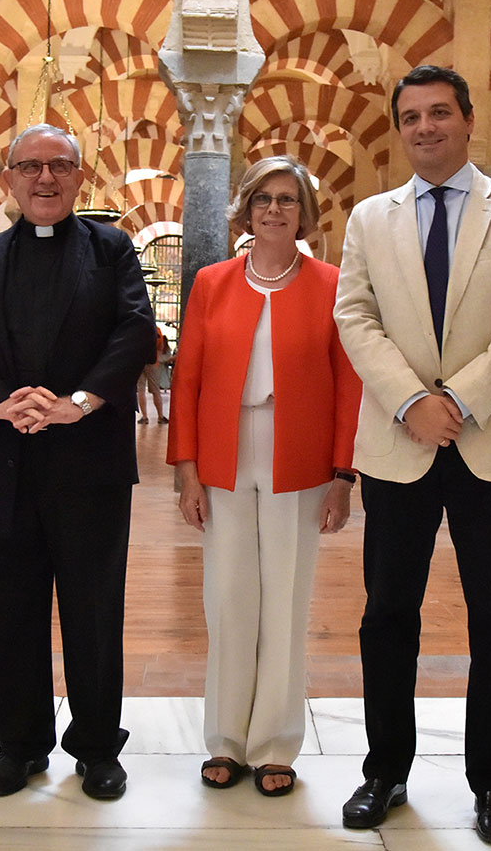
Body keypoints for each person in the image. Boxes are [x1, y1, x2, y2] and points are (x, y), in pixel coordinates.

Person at [332, 65, 491, 843]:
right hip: (399, 446)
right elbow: (354, 318)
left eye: (438, 113)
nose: (424, 127)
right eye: (411, 117)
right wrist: (411, 402)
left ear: (468, 119)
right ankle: (385, 771)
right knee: (388, 612)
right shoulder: (370, 218)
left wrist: (456, 400)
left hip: (486, 440)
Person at [0, 123, 155, 800]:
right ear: (10, 177)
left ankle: (96, 746)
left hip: (89, 464)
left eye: (59, 165)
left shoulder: (111, 249)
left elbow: (134, 329)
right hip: (6, 460)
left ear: (80, 176)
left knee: (93, 610)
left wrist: (79, 401)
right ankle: (20, 746)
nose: (45, 179)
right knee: (13, 609)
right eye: (30, 166)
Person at [167, 155, 361, 797]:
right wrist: (186, 472)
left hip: (299, 453)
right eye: (262, 199)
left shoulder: (332, 283)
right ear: (245, 211)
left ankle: (275, 743)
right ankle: (225, 740)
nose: (275, 210)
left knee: (286, 597)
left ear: (303, 213)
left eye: (287, 199)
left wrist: (342, 475)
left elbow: (347, 384)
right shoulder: (212, 283)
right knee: (227, 598)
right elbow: (187, 379)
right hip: (223, 450)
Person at [136, 324, 172, 423]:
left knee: (141, 390)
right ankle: (160, 416)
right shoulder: (156, 330)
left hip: (140, 362)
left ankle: (144, 417)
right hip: (153, 362)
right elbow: (160, 346)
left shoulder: (137, 328)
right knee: (155, 390)